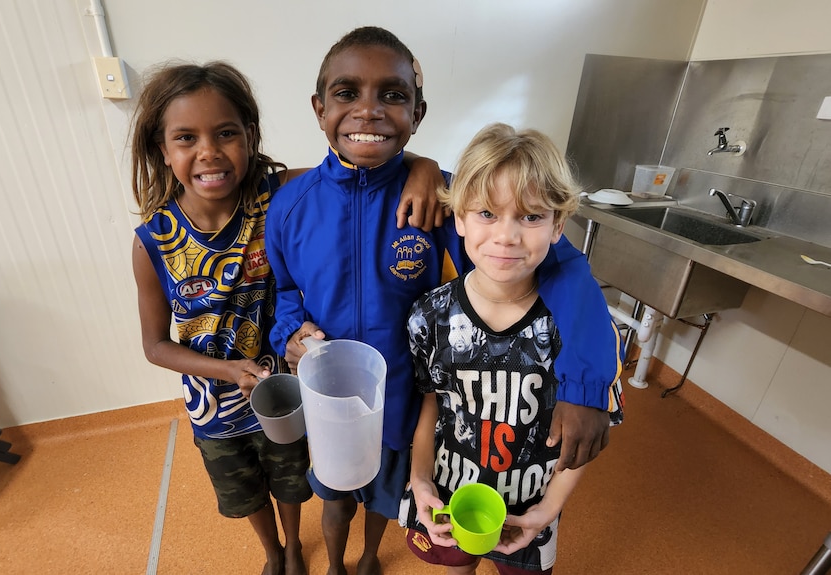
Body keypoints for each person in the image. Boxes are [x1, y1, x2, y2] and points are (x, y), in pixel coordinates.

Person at [129, 60, 445, 575]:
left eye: (226, 133)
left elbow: (358, 163)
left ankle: (296, 547)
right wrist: (230, 371)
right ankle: (274, 552)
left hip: (292, 389)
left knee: (295, 480)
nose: (209, 152)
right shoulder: (152, 243)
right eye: (186, 138)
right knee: (245, 491)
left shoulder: (275, 194)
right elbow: (154, 346)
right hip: (215, 407)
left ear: (250, 136)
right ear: (162, 150)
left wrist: (424, 165)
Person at [265, 26, 472, 575]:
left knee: (387, 494)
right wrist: (290, 334)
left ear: (417, 113)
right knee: (334, 497)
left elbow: (488, 278)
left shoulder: (440, 197)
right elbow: (285, 292)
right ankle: (334, 564)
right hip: (329, 398)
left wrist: (431, 169)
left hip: (405, 392)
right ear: (319, 107)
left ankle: (369, 557)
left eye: (393, 96)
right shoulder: (290, 207)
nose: (369, 110)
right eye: (347, 93)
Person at [400, 123, 624, 575]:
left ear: (558, 225)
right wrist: (419, 478)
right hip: (450, 491)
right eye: (486, 213)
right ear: (458, 217)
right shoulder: (430, 315)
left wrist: (548, 510)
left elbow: (580, 438)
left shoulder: (580, 332)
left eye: (530, 217)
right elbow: (432, 402)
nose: (506, 236)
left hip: (531, 505)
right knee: (455, 566)